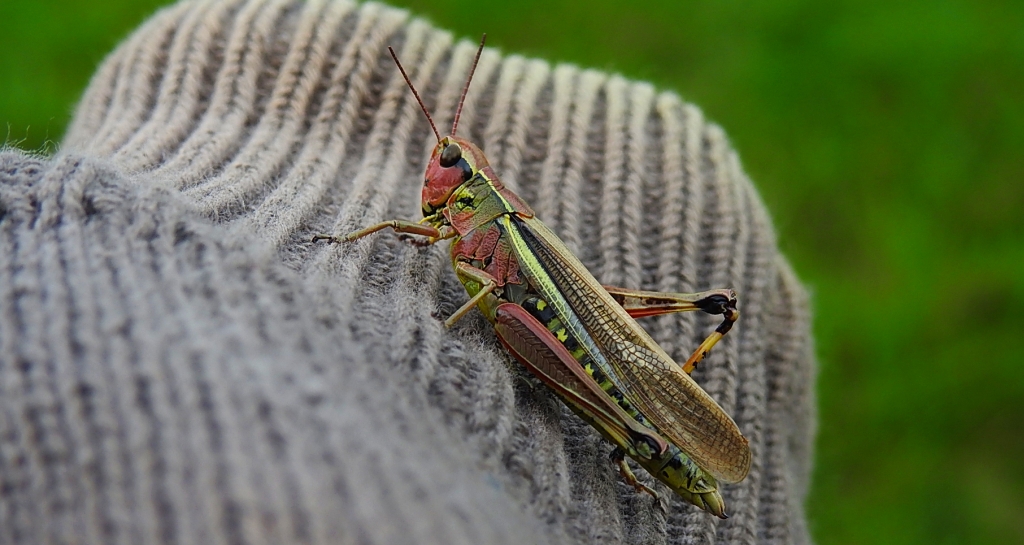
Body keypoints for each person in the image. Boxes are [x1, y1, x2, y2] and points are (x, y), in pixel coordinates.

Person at [0, 0, 816, 542]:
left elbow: (496, 299)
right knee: (498, 308)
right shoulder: (455, 225)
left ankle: (641, 438)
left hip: (569, 329)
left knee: (503, 307)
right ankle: (639, 436)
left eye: (449, 163)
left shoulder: (493, 230)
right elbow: (431, 244)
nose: (437, 176)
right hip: (544, 324)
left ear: (470, 182)